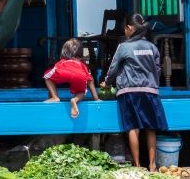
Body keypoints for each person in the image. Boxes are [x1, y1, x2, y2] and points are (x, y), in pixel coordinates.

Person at [101, 13, 169, 170]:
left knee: (133, 128)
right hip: (151, 91)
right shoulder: (152, 47)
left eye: (125, 29)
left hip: (129, 92)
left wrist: (107, 83)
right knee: (151, 128)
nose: (125, 32)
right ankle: (152, 166)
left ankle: (138, 166)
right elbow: (158, 70)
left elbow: (113, 69)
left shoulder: (124, 47)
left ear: (129, 28)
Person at [44, 38, 100, 119]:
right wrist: (96, 98)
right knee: (81, 92)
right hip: (80, 75)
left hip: (63, 72)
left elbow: (52, 72)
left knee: (47, 76)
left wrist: (50, 95)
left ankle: (55, 97)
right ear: (80, 54)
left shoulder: (62, 62)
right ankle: (75, 100)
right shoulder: (83, 65)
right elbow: (90, 80)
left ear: (64, 52)